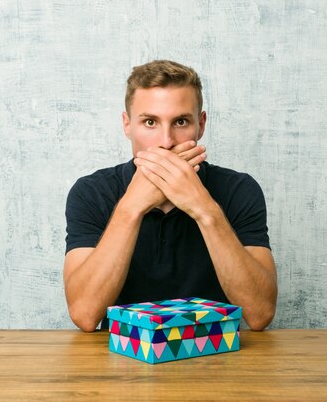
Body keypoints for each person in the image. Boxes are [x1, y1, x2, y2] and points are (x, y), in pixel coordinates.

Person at [64, 60, 277, 332]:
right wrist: (131, 208)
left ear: (200, 125)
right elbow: (84, 314)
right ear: (127, 125)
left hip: (213, 355)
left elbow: (260, 314)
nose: (166, 141)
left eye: (181, 122)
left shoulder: (239, 189)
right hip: (121, 359)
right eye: (150, 122)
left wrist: (204, 209)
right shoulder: (91, 192)